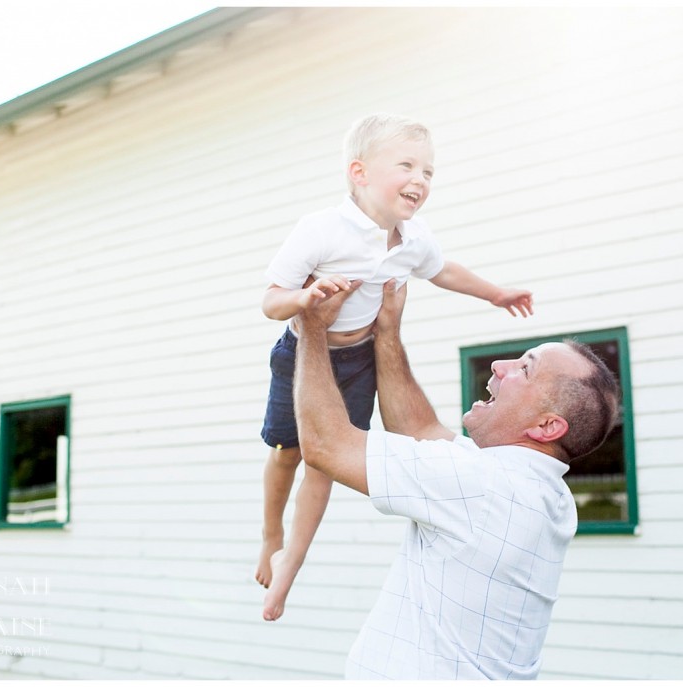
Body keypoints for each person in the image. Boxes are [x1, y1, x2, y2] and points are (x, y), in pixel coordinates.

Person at [257, 113, 534, 622]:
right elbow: (270, 301)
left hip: (359, 358)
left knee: (327, 461)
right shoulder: (320, 229)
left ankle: (290, 564)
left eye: (428, 171)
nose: (420, 179)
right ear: (359, 173)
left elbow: (443, 270)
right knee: (286, 452)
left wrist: (496, 293)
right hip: (300, 353)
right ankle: (271, 530)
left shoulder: (414, 237)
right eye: (406, 165)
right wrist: (304, 296)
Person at [290, 278, 621, 679]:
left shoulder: (483, 484)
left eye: (525, 369)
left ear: (547, 425)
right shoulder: (538, 491)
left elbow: (327, 446)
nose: (500, 365)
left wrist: (311, 325)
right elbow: (420, 427)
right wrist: (387, 331)